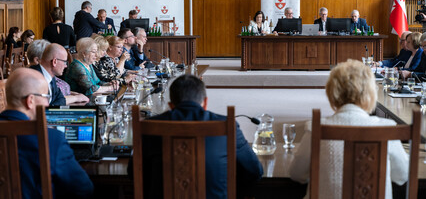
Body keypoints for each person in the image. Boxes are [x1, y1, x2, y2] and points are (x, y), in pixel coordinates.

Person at [128, 74, 263, 198]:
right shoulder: (227, 125)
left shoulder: (149, 126)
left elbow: (134, 173)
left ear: (170, 105)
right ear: (205, 103)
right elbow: (254, 171)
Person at [289, 59, 408, 199]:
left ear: (332, 92)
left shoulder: (317, 128)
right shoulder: (386, 129)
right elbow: (403, 175)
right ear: (371, 93)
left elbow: (297, 174)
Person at [0, 68, 94, 199]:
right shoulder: (51, 138)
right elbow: (83, 188)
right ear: (30, 100)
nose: (47, 104)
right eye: (46, 97)